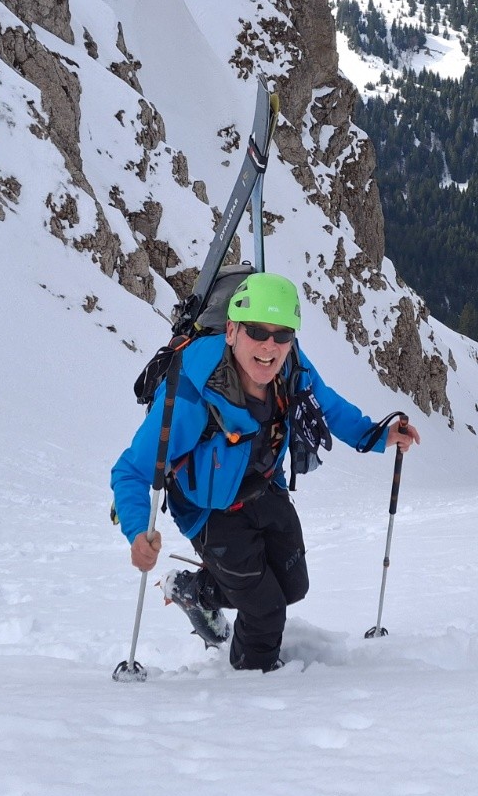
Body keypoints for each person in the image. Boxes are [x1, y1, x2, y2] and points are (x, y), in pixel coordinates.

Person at [111, 272, 419, 672]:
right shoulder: (191, 392)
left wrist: (377, 436)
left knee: (293, 586)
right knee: (267, 612)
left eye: (282, 334)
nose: (269, 346)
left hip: (262, 487)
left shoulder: (290, 364)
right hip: (209, 510)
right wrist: (138, 532)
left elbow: (326, 403)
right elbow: (131, 470)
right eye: (257, 331)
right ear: (232, 331)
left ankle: (195, 591)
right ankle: (250, 690)